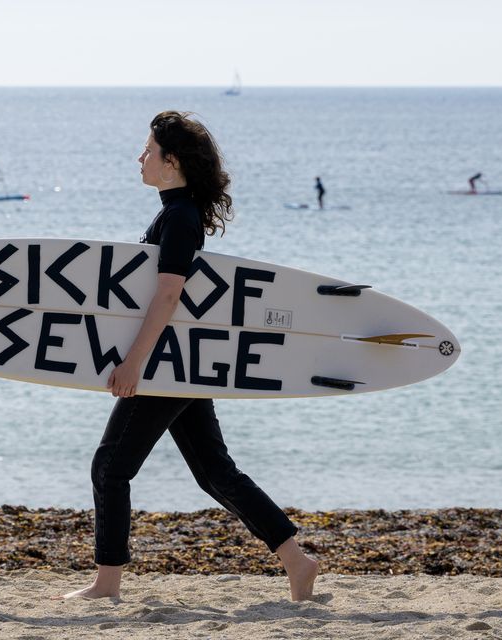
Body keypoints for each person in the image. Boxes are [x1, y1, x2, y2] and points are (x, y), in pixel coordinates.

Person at [58, 111, 319, 602]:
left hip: (163, 365)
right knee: (214, 471)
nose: (140, 158)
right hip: (181, 362)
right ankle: (297, 561)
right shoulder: (175, 212)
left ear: (171, 161)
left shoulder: (178, 219)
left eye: (149, 151)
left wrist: (135, 362)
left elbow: (168, 295)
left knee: (110, 466)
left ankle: (106, 582)